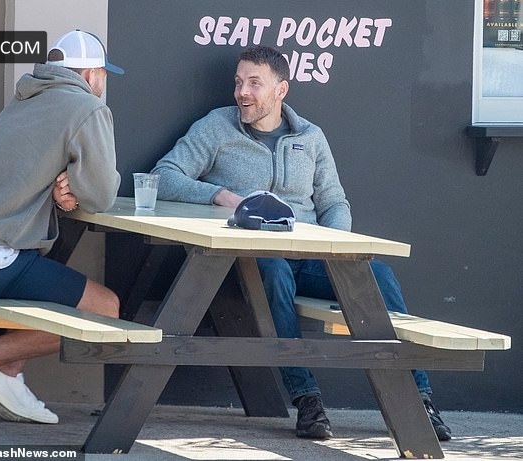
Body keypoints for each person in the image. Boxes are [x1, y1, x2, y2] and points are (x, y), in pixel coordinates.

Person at [150, 45, 452, 441]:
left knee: (378, 276)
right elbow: (164, 175)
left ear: (281, 90)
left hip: (309, 257)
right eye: (239, 83)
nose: (242, 92)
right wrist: (222, 196)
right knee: (274, 272)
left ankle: (419, 399)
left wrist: (337, 250)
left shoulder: (310, 137)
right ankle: (307, 400)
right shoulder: (217, 127)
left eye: (254, 83)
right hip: (250, 257)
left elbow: (334, 202)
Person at [0, 30, 124, 424]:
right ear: (90, 74)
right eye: (103, 74)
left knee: (40, 287)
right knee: (105, 310)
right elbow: (102, 195)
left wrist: (66, 189)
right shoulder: (87, 107)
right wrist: (78, 187)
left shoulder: (23, 101)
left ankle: (6, 377)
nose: (103, 82)